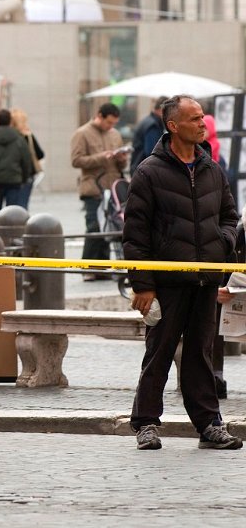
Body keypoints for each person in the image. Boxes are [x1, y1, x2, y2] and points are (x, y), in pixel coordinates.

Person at [124, 94, 242, 451]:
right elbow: (134, 234)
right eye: (194, 119)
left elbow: (229, 217)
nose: (202, 123)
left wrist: (222, 243)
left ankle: (209, 424)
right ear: (173, 126)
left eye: (202, 117)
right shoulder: (148, 172)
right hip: (167, 283)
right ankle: (145, 423)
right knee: (158, 355)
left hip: (205, 280)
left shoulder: (212, 169)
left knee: (200, 355)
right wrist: (143, 285)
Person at [70, 102, 127, 281]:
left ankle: (102, 268)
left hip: (113, 188)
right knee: (94, 227)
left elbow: (121, 165)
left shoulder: (115, 134)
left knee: (109, 228)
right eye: (108, 123)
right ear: (99, 116)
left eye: (113, 124)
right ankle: (88, 268)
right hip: (93, 187)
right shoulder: (82, 133)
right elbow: (76, 160)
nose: (110, 127)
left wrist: (122, 159)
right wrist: (101, 157)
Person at [0, 109, 31, 228]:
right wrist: (24, 178)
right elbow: (26, 161)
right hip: (14, 180)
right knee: (12, 212)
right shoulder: (19, 139)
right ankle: (11, 239)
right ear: (10, 121)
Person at [10, 108, 44, 210]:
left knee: (11, 206)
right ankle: (22, 224)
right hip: (28, 174)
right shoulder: (28, 136)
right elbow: (40, 154)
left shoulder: (9, 136)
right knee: (23, 204)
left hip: (11, 174)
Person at [130, 97, 167, 174]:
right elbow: (152, 152)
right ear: (162, 110)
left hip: (140, 168)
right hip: (144, 171)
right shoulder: (153, 125)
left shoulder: (149, 121)